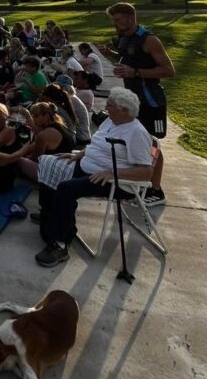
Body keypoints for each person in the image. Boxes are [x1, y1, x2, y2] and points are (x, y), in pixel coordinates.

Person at [34, 88, 153, 266]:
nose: (106, 107)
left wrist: (112, 173)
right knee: (47, 162)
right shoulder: (111, 121)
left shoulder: (136, 133)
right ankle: (49, 213)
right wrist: (78, 154)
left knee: (66, 188)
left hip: (113, 181)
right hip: (89, 166)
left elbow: (146, 172)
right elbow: (96, 145)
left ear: (125, 110)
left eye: (110, 105)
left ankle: (60, 244)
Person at [99, 2, 175, 206]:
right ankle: (140, 186)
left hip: (151, 101)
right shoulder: (124, 37)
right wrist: (111, 55)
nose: (115, 23)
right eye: (113, 20)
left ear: (130, 17)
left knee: (153, 145)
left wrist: (135, 73)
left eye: (117, 19)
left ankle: (156, 191)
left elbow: (169, 71)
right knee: (137, 142)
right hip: (133, 101)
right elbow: (129, 58)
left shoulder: (149, 40)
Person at [14, 102, 76, 182]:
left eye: (36, 116)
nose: (33, 118)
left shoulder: (44, 134)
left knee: (17, 160)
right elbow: (34, 146)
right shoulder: (60, 126)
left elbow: (36, 158)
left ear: (46, 116)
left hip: (55, 174)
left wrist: (15, 155)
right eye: (32, 116)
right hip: (67, 169)